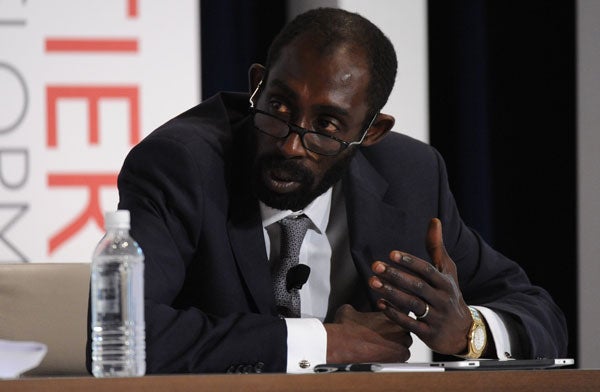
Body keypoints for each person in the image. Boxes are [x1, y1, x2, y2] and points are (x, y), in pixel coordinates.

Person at [86, 7, 567, 374]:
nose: (292, 144)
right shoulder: (181, 165)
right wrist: (326, 342)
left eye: (327, 125)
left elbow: (542, 316)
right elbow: (121, 334)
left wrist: (468, 333)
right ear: (257, 85)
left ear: (372, 132)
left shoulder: (411, 176)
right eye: (278, 106)